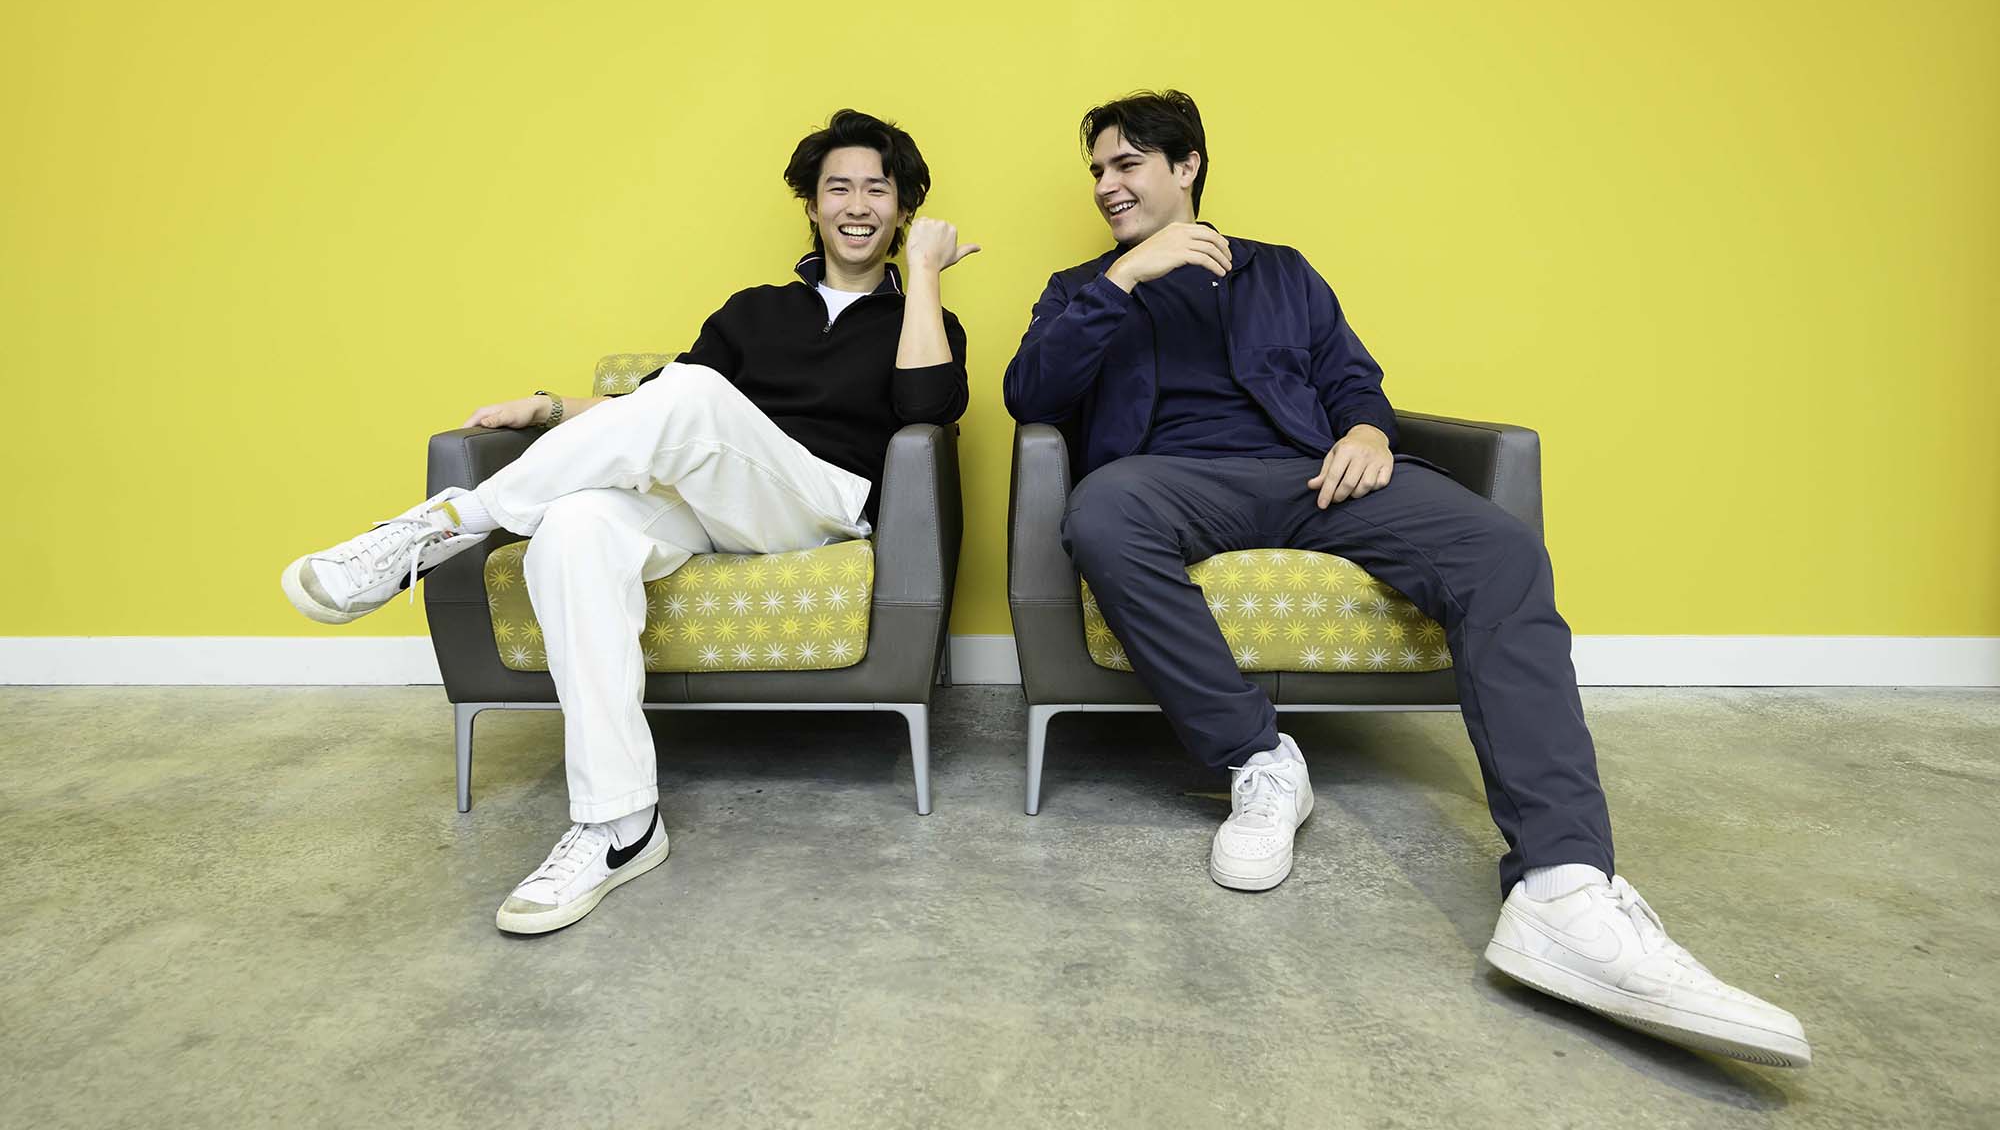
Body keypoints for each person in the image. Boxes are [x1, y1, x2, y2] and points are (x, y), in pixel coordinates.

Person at [1001, 89, 1807, 1067]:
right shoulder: (1082, 286)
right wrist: (1125, 278)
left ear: (1187, 167)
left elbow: (1350, 375)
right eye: (1096, 170)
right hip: (1169, 483)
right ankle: (1260, 760)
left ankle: (1562, 888)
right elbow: (1030, 393)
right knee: (1099, 513)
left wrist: (1368, 431)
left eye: (1126, 164)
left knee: (1501, 551)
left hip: (1314, 477)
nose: (1105, 186)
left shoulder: (1281, 271)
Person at [283, 109, 974, 935]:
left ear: (903, 209)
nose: (856, 205)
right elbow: (651, 409)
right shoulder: (754, 311)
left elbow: (928, 407)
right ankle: (620, 823)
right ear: (812, 204)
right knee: (575, 526)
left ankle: (441, 526)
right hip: (712, 501)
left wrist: (923, 273)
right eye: (838, 188)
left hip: (817, 506)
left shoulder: (922, 320)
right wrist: (547, 407)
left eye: (877, 190)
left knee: (693, 395)